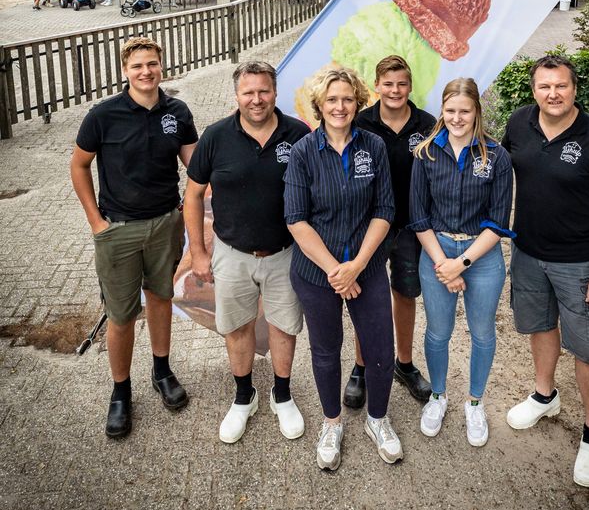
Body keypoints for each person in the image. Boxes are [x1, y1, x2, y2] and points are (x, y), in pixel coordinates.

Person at [501, 55, 589, 488]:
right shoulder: (520, 124)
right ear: (533, 90)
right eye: (544, 86)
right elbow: (496, 169)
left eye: (561, 86)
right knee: (540, 327)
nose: (553, 94)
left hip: (579, 263)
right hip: (528, 252)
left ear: (575, 89)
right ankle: (544, 395)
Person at [71, 36, 198, 439]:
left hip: (165, 225)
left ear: (162, 67)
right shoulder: (103, 115)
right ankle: (120, 392)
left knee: (161, 299)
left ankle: (162, 371)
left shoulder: (177, 112)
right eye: (138, 66)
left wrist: (188, 210)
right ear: (125, 71)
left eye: (152, 64)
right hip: (118, 230)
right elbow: (79, 166)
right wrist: (96, 222)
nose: (146, 72)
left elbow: (196, 169)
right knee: (121, 314)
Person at [184, 61, 309, 445]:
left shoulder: (299, 134)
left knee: (283, 326)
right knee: (237, 326)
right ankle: (244, 397)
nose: (256, 100)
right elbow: (191, 197)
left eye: (264, 91)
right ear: (236, 96)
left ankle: (282, 395)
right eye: (248, 92)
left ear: (275, 92)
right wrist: (199, 254)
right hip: (232, 252)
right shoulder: (216, 136)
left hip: (285, 251)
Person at [284, 67, 402, 472]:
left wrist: (358, 266)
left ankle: (378, 421)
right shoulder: (303, 152)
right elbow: (296, 219)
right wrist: (337, 270)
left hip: (365, 269)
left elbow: (385, 210)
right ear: (319, 104)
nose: (340, 106)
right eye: (332, 99)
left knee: (381, 350)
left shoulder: (374, 146)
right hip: (318, 274)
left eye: (347, 99)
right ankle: (331, 423)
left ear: (358, 102)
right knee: (325, 349)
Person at [409, 77, 513, 447]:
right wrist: (443, 263)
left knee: (482, 332)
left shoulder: (496, 157)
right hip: (436, 250)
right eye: (450, 110)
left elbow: (499, 222)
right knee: (438, 332)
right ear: (442, 111)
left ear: (476, 112)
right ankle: (438, 396)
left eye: (464, 111)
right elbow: (418, 216)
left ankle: (474, 402)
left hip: (480, 255)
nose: (457, 117)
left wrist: (462, 263)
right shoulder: (425, 154)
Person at [343, 55, 435, 409]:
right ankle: (360, 366)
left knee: (405, 294)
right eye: (388, 84)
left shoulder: (428, 124)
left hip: (411, 226)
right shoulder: (361, 124)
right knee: (364, 294)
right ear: (377, 86)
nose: (395, 91)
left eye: (401, 84)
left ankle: (405, 363)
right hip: (368, 226)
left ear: (410, 87)